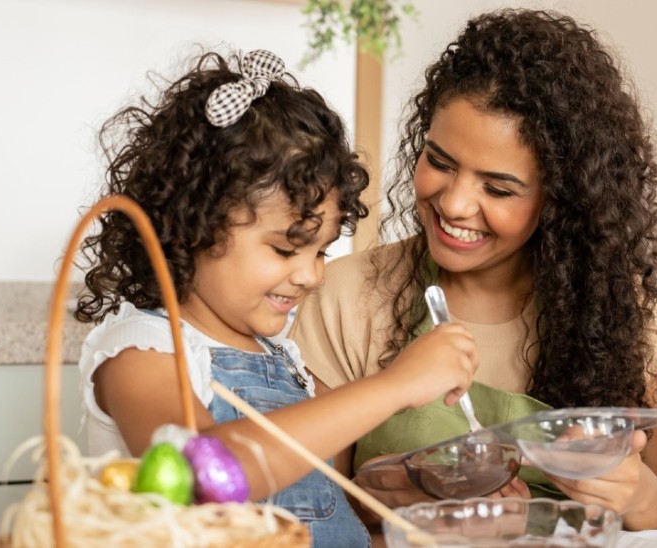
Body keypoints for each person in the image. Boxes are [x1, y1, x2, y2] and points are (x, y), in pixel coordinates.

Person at [290, 9, 657, 532]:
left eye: (499, 189)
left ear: (561, 200)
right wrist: (388, 502)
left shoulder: (621, 311)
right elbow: (309, 519)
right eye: (439, 161)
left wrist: (638, 494)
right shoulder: (347, 297)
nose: (456, 203)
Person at [74, 49, 479, 546]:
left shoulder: (286, 360)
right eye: (287, 247)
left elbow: (321, 500)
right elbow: (204, 475)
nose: (311, 276)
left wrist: (390, 488)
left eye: (322, 251)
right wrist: (396, 384)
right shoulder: (143, 352)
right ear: (190, 228)